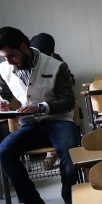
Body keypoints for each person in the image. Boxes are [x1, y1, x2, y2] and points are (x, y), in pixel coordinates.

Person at [0, 27, 81, 204]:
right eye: (4, 57)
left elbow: (67, 101)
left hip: (59, 122)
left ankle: (71, 199)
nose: (8, 61)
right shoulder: (3, 69)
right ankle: (33, 203)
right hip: (30, 125)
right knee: (4, 151)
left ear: (24, 47)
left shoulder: (56, 66)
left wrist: (41, 107)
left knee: (70, 150)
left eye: (11, 56)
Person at [29, 32, 74, 171]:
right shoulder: (29, 61)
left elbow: (71, 81)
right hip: (33, 112)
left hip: (56, 109)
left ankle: (51, 154)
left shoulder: (57, 63)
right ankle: (52, 153)